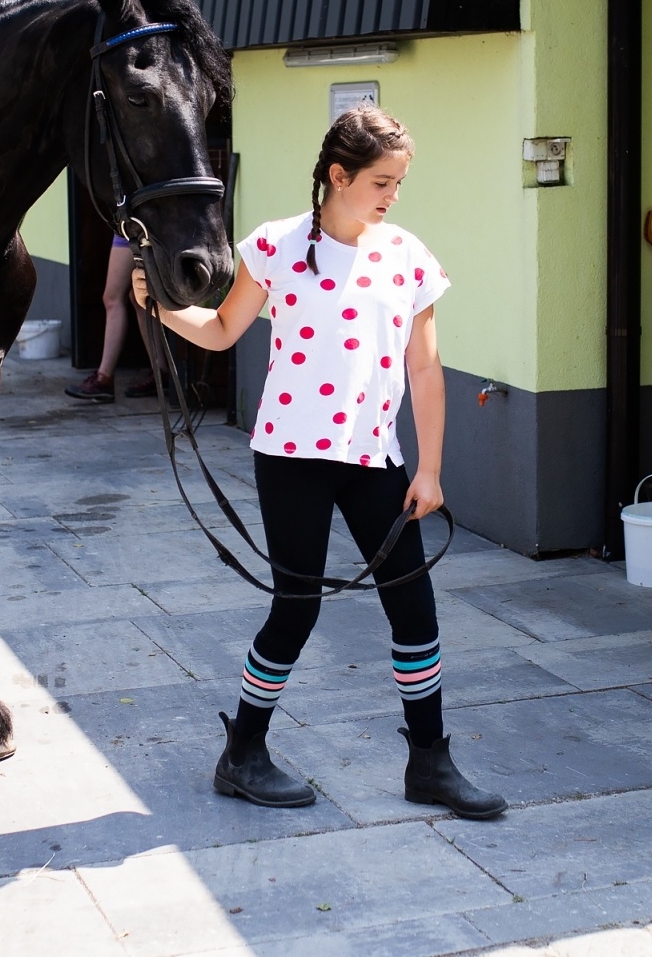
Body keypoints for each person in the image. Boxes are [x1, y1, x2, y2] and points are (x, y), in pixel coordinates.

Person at [132, 105, 506, 819]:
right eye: (382, 182)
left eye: (398, 183)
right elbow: (219, 329)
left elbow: (425, 371)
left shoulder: (406, 255)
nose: (394, 196)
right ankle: (243, 751)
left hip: (375, 459)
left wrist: (429, 468)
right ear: (339, 176)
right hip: (291, 458)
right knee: (294, 608)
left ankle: (430, 761)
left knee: (415, 608)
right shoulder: (274, 247)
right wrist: (160, 310)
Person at [65, 233, 157, 402]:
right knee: (139, 299)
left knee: (113, 299)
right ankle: (161, 373)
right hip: (132, 225)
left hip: (132, 226)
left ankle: (104, 379)